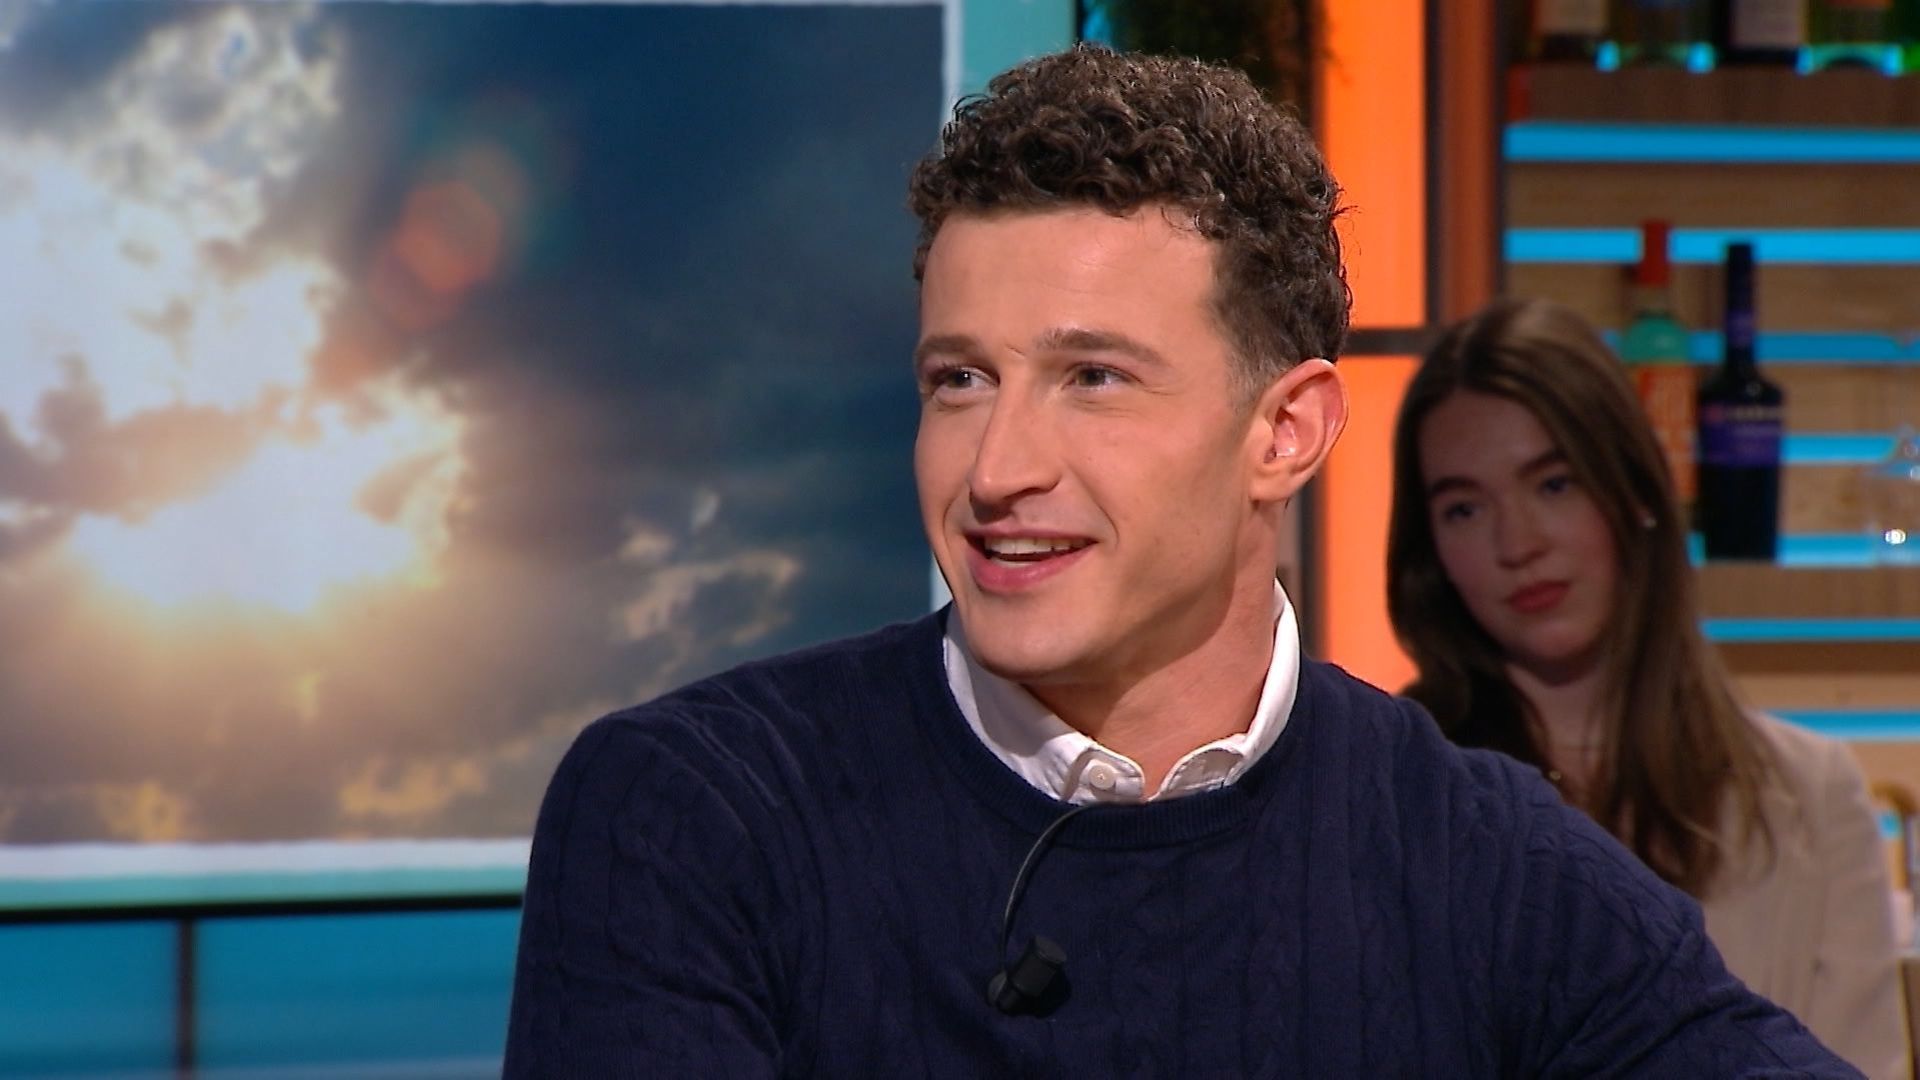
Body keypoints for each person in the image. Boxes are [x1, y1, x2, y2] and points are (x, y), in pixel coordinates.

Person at [505, 46, 1857, 1075]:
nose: (996, 468)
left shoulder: (1486, 860)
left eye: (1092, 378)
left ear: (1286, 433)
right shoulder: (694, 812)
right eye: (960, 379)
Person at [1386, 296, 1908, 1078]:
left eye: (1554, 484)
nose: (1517, 543)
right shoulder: (1388, 798)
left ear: (1635, 494)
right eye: (1464, 508)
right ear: (1432, 552)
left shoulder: (1811, 797)